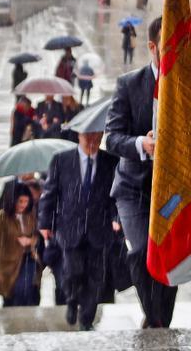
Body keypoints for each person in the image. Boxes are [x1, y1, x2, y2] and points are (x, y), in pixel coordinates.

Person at [105, 16, 191, 329]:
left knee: (171, 259)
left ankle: (159, 323)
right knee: (144, 252)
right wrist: (141, 144)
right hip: (136, 189)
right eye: (168, 48)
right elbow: (113, 137)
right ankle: (158, 320)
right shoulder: (129, 84)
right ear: (151, 47)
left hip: (177, 192)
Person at [39, 131, 120, 331]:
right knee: (73, 271)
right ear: (79, 136)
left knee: (96, 276)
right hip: (69, 227)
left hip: (99, 228)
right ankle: (72, 299)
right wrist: (45, 223)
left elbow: (117, 194)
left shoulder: (110, 161)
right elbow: (50, 193)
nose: (92, 142)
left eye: (96, 137)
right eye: (88, 137)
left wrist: (117, 218)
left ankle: (86, 319)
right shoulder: (62, 160)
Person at [0, 185, 42, 307]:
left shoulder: (31, 215)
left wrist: (31, 241)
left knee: (27, 292)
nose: (23, 205)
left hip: (29, 258)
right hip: (9, 262)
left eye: (26, 201)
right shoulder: (3, 218)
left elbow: (37, 235)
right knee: (13, 294)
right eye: (20, 201)